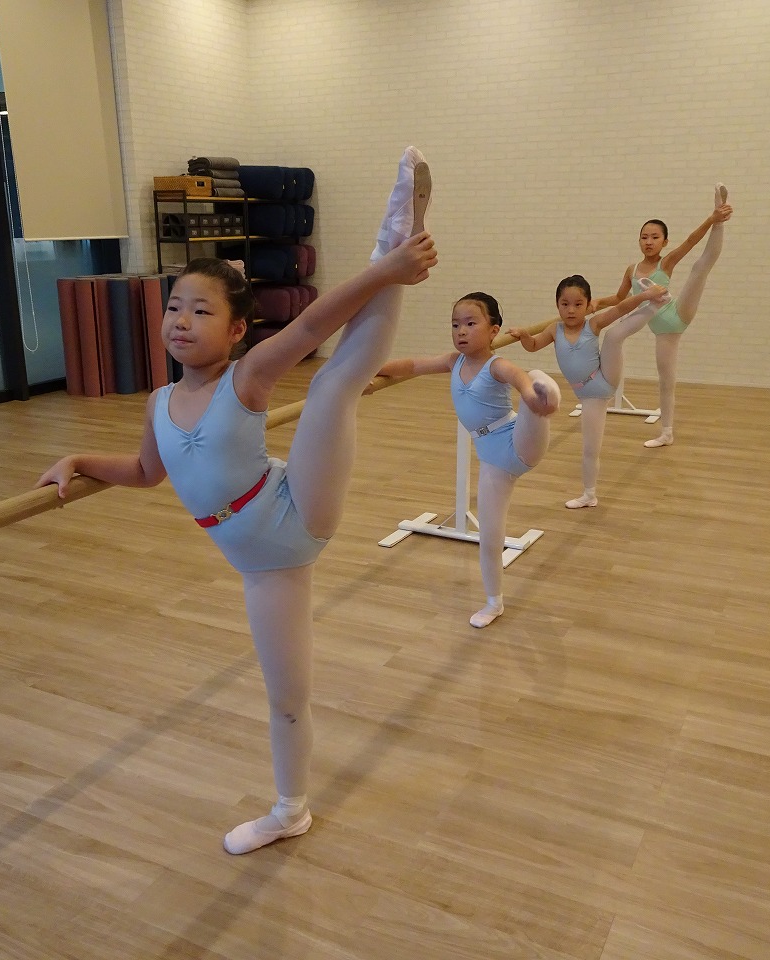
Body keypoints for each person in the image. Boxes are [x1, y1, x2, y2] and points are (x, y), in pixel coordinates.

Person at [36, 148, 435, 854]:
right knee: (287, 696)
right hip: (260, 564)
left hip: (293, 509)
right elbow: (144, 472)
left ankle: (395, 237)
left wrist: (387, 272)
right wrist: (76, 460)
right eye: (174, 308)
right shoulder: (159, 401)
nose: (181, 321)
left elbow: (312, 329)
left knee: (335, 382)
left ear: (237, 329)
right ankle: (292, 811)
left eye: (201, 310)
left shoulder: (245, 378)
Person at [374, 293, 561, 628]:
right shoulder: (453, 362)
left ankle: (545, 397)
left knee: (534, 380)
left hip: (518, 440)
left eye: (471, 323)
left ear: (493, 331)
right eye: (455, 325)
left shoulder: (496, 365)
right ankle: (494, 602)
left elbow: (517, 377)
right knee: (490, 535)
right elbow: (413, 366)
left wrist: (531, 394)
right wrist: (371, 370)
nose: (461, 331)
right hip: (492, 459)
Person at [507, 275, 670, 508]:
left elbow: (620, 308)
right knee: (590, 447)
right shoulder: (554, 330)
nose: (571, 310)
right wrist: (524, 335)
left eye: (578, 304)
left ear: (588, 305)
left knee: (613, 336)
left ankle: (656, 304)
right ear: (557, 305)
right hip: (587, 393)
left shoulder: (592, 325)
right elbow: (532, 346)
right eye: (565, 304)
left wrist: (645, 296)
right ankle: (590, 495)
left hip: (603, 380)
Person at [595, 185, 733, 447]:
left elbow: (691, 241)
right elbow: (620, 299)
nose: (649, 242)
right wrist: (596, 303)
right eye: (644, 237)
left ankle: (720, 213)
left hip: (678, 312)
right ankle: (667, 432)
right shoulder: (632, 269)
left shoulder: (665, 262)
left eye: (655, 237)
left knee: (700, 267)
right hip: (664, 332)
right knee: (666, 381)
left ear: (664, 242)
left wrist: (712, 219)